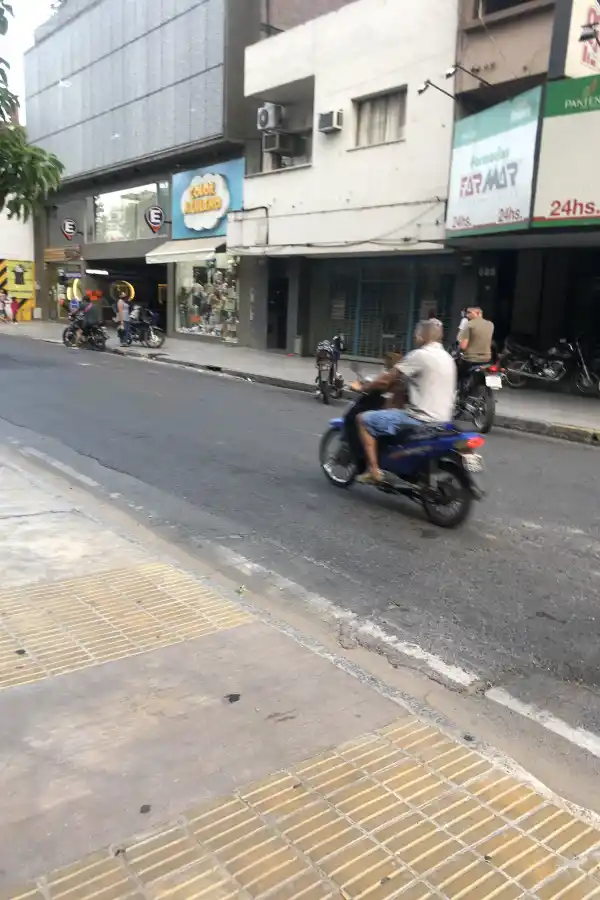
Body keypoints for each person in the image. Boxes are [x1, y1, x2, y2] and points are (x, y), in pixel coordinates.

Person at [356, 319, 456, 484]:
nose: (414, 337)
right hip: (443, 419)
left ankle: (373, 471)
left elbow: (387, 379)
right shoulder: (447, 357)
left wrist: (366, 387)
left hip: (420, 419)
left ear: (422, 336)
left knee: (363, 420)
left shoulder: (420, 355)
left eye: (416, 334)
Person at [457, 306, 494, 395]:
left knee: (459, 375)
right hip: (487, 359)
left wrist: (459, 348)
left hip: (471, 359)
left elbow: (463, 346)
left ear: (478, 313)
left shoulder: (469, 325)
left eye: (470, 312)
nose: (467, 314)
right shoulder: (490, 325)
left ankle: (460, 394)